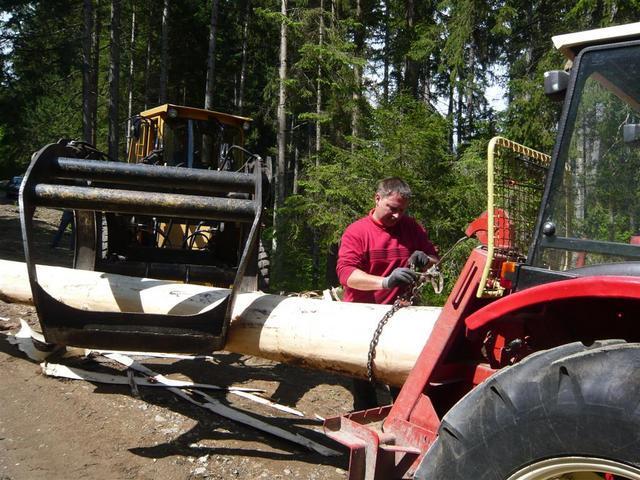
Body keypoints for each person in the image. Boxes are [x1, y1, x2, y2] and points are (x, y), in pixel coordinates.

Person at [336, 177, 438, 410]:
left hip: (401, 317)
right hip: (362, 319)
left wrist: (424, 259)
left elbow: (435, 261)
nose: (397, 216)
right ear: (377, 198)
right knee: (364, 391)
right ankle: (364, 429)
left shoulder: (411, 228)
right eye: (392, 209)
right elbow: (346, 275)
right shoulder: (357, 232)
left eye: (402, 210)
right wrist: (386, 282)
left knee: (402, 386)